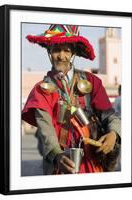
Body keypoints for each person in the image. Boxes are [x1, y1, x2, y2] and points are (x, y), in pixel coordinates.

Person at [22, 24, 121, 175]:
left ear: (73, 53)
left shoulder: (91, 82)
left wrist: (114, 133)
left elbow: (110, 115)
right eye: (56, 50)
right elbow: (45, 128)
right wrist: (56, 154)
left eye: (66, 50)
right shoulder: (40, 90)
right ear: (49, 52)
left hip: (93, 163)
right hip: (60, 165)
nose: (61, 56)